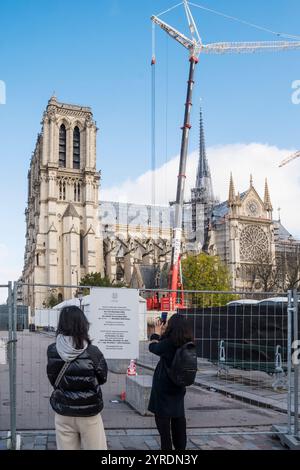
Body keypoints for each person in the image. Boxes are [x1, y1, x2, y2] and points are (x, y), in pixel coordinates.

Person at [47, 305, 108, 450]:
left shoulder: (52, 350)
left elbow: (52, 379)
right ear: (83, 324)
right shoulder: (93, 352)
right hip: (89, 412)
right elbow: (103, 378)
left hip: (64, 411)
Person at [148, 314, 193, 451]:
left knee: (165, 432)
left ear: (172, 327)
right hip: (178, 388)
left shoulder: (168, 344)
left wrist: (156, 333)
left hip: (163, 391)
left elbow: (153, 348)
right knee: (178, 420)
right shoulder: (188, 343)